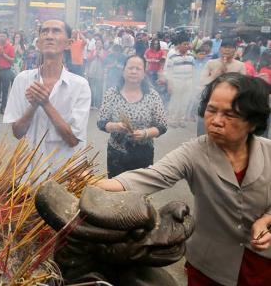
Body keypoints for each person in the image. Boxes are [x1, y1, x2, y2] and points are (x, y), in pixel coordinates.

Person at [96, 73, 271, 286]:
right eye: (211, 110)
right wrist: (94, 185)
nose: (216, 121)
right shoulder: (194, 152)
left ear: (252, 122)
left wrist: (266, 219)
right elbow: (151, 176)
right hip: (210, 267)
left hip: (262, 265)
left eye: (230, 115)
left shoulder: (268, 152)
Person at [3, 19, 91, 166]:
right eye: (45, 31)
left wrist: (46, 104)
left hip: (63, 173)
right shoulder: (22, 80)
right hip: (29, 172)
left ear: (69, 43)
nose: (49, 36)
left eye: (56, 31)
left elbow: (73, 139)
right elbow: (17, 133)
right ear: (38, 43)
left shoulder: (80, 86)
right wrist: (33, 106)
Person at [97, 55, 167, 178]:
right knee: (116, 192)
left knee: (140, 192)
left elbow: (162, 125)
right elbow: (101, 122)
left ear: (144, 73)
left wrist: (145, 133)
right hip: (117, 154)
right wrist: (115, 126)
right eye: (130, 68)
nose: (134, 71)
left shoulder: (152, 95)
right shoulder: (112, 93)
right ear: (123, 71)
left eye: (138, 68)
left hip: (143, 153)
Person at [164, 32, 195, 128]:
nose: (186, 46)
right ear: (179, 45)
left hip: (188, 82)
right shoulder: (172, 55)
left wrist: (193, 82)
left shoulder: (191, 55)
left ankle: (181, 119)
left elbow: (193, 69)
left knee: (185, 102)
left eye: (187, 44)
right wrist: (169, 84)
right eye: (184, 44)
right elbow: (168, 70)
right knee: (175, 102)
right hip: (176, 81)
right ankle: (172, 120)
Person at [0, 30, 15, 113]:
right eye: (0, 36)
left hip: (6, 71)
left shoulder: (10, 47)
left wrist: (3, 54)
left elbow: (12, 60)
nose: (1, 37)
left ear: (7, 38)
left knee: (5, 90)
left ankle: (3, 107)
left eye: (3, 36)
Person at [86, 36, 108, 109]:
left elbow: (105, 61)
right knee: (91, 89)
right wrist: (95, 55)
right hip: (91, 72)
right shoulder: (92, 51)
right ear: (95, 44)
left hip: (100, 73)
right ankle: (92, 104)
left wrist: (100, 55)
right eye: (97, 43)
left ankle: (98, 104)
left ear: (102, 44)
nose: (98, 44)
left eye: (100, 43)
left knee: (99, 89)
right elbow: (88, 59)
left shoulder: (105, 52)